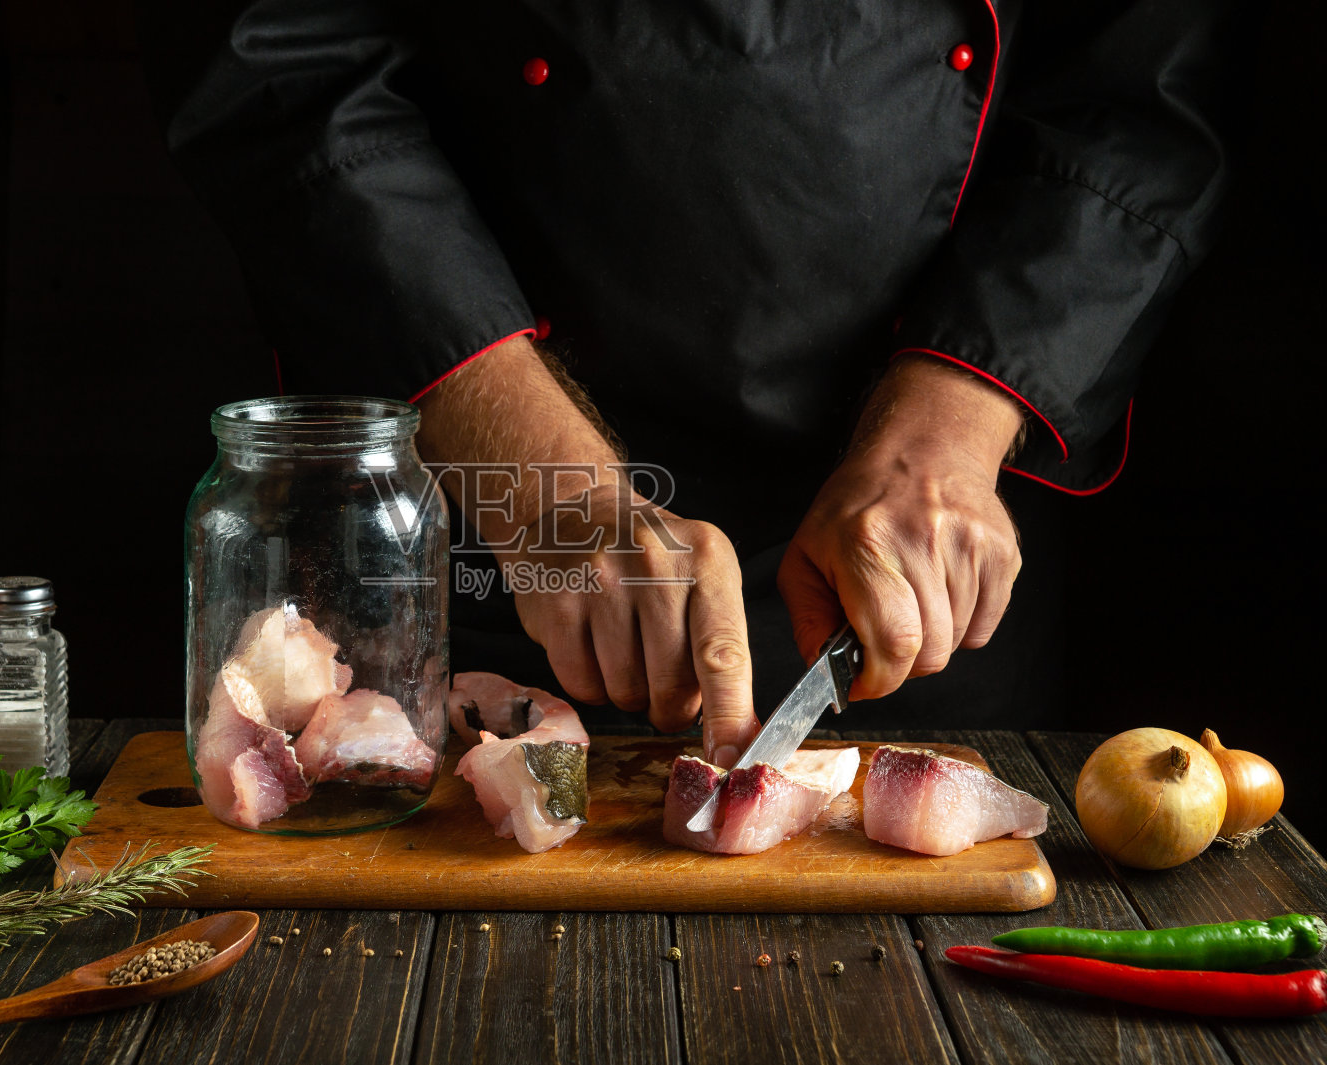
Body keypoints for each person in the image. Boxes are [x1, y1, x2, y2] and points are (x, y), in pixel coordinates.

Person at [139, 0, 1245, 761]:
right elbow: (272, 51)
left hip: (925, 551)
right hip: (473, 523)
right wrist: (536, 483)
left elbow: (1143, 94)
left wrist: (947, 428)